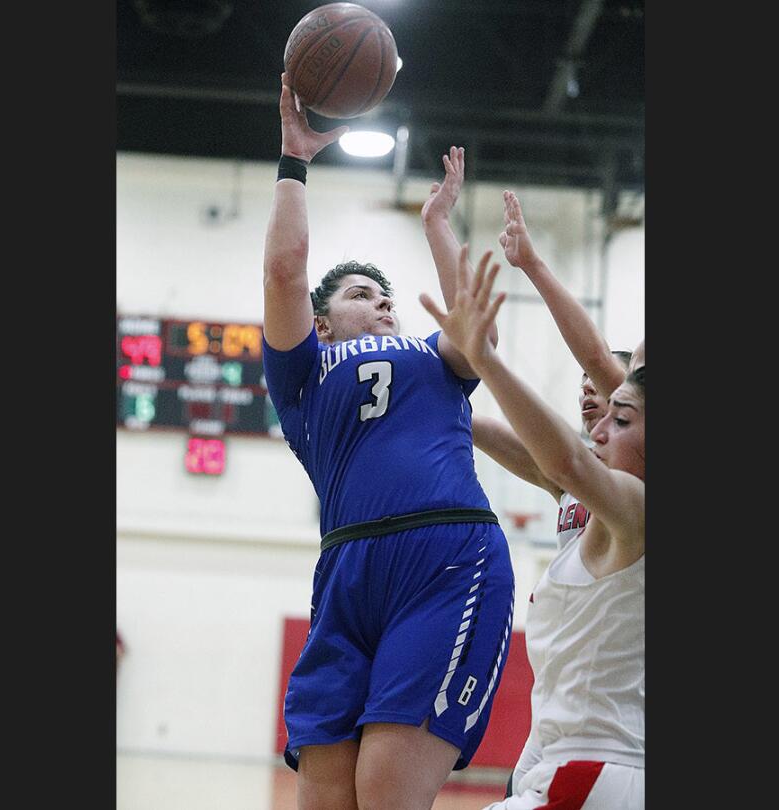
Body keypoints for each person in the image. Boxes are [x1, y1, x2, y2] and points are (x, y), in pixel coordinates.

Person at [262, 74, 516, 810]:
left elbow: (479, 333)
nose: (382, 304)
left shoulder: (436, 356)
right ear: (324, 321)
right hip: (346, 572)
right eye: (360, 296)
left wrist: (439, 226)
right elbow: (284, 269)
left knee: (385, 794)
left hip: (445, 556)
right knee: (325, 800)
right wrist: (293, 163)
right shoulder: (304, 373)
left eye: (386, 296)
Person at [420, 247, 645, 810]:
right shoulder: (584, 485)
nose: (600, 415)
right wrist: (423, 401)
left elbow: (568, 450)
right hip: (566, 732)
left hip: (601, 751)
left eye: (620, 415)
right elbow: (550, 456)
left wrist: (486, 354)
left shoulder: (630, 498)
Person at [421, 155, 630, 552]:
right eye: (582, 385)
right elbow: (516, 445)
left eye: (598, 387)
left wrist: (532, 266)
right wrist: (427, 403)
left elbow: (598, 360)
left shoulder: (635, 469)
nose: (587, 389)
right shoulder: (577, 477)